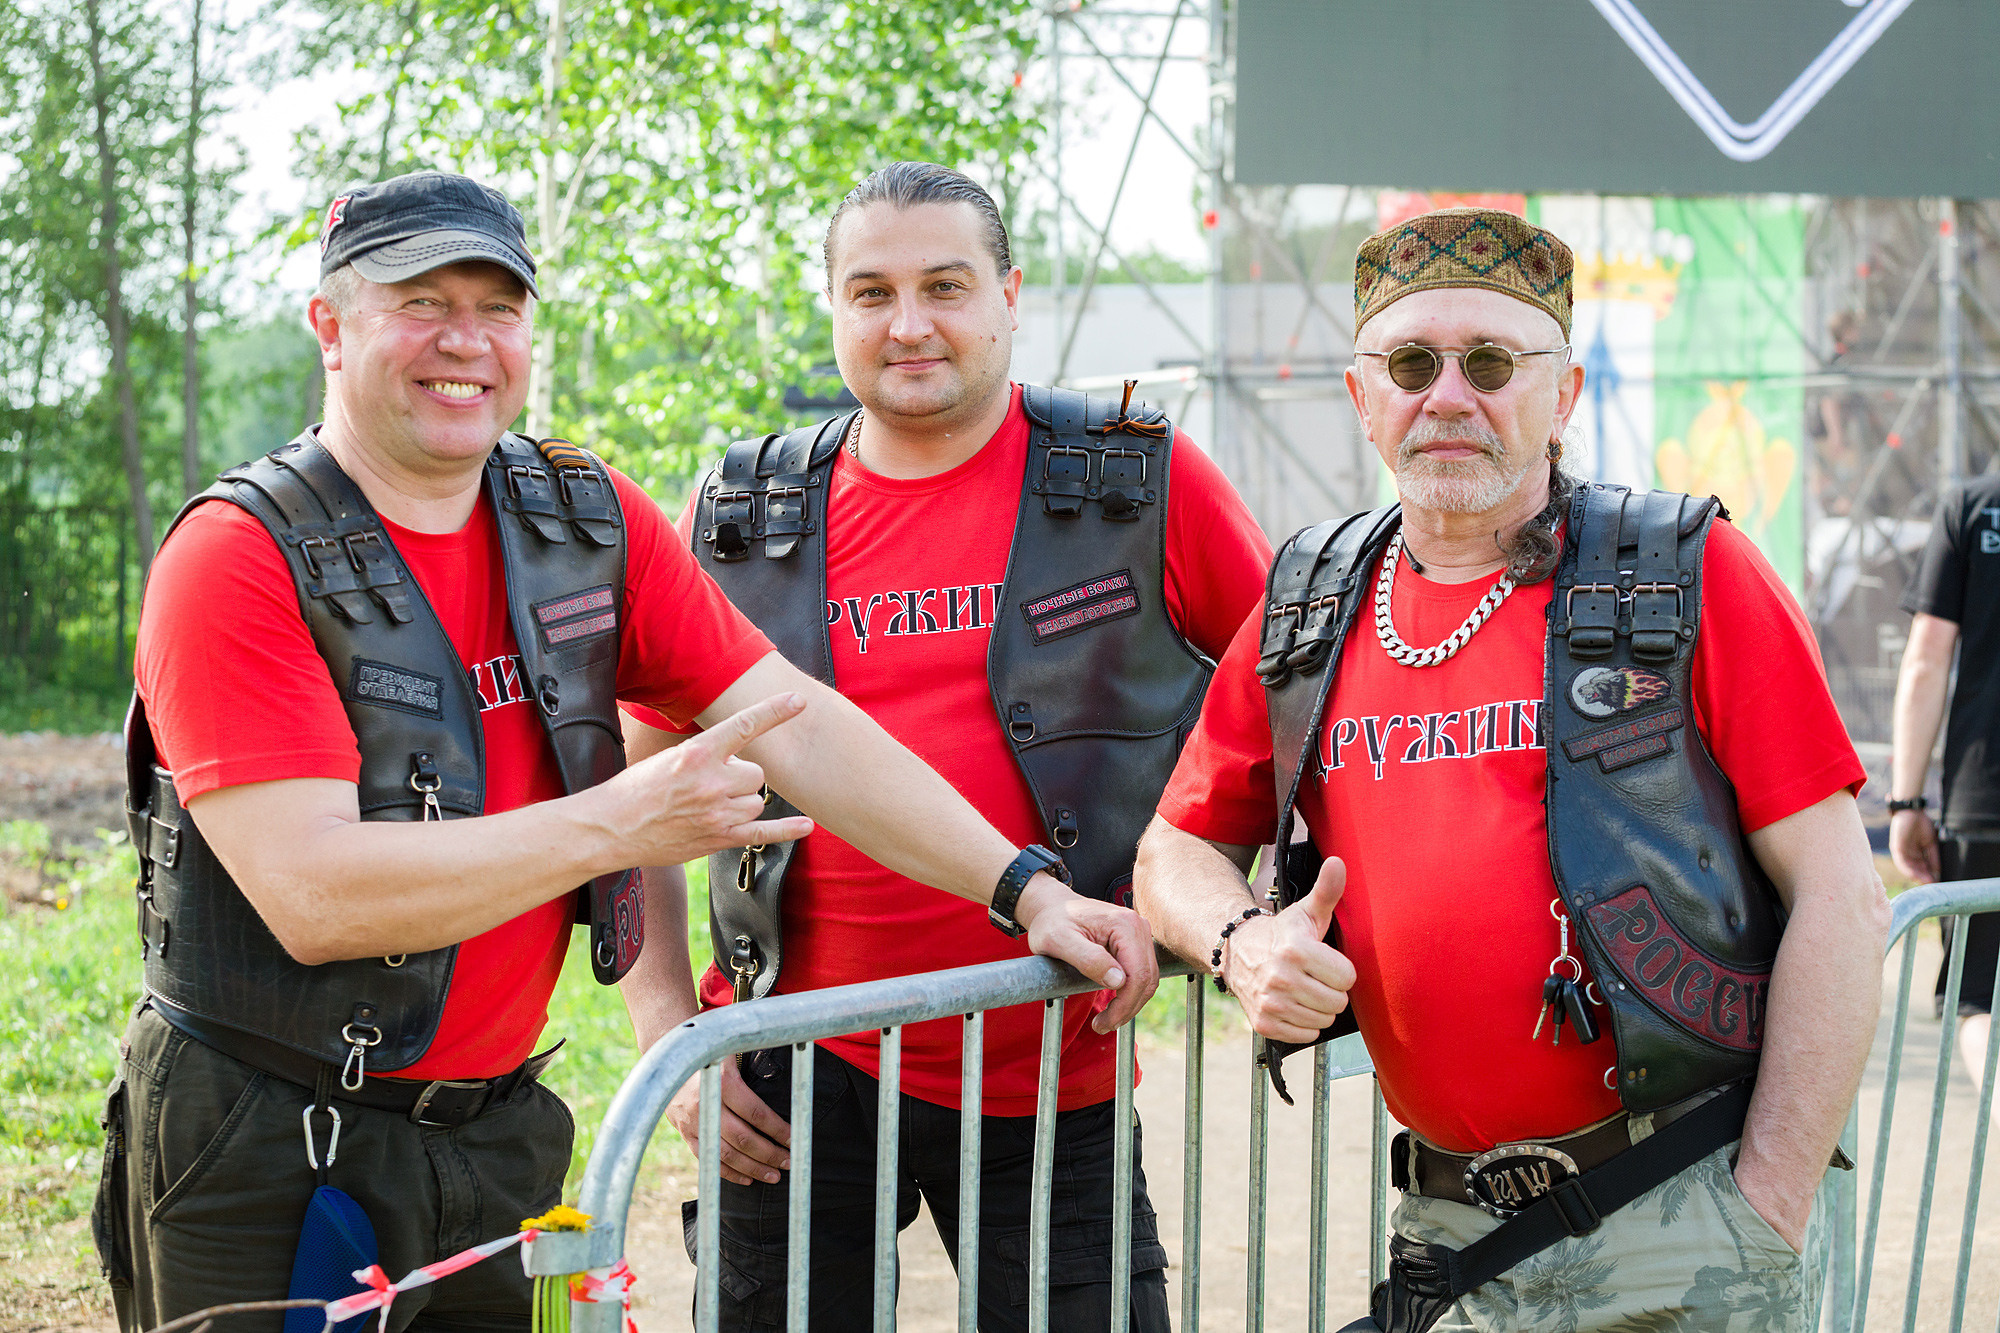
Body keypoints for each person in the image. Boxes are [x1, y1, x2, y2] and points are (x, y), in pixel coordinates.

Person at [95, 169, 1158, 1333]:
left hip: (493, 1132)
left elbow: (792, 721)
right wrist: (622, 822)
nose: (466, 341)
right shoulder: (236, 559)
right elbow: (317, 896)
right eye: (419, 302)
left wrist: (1022, 887)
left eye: (496, 306)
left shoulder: (578, 518)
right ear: (330, 327)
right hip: (274, 1140)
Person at [1133, 207, 1888, 1333]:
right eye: (1408, 362)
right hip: (1449, 1229)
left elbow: (1839, 891)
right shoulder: (1307, 604)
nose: (1446, 394)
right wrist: (1243, 943)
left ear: (1563, 394)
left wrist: (1765, 1200)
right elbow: (1172, 848)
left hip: (1682, 1207)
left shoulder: (1684, 576)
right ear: (1361, 397)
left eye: (1489, 361)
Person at [618, 161, 1272, 1331]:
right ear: (831, 309)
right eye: (870, 291)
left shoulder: (1132, 479)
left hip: (1048, 1060)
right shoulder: (738, 514)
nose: (908, 323)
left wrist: (1231, 912)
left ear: (1011, 295)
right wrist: (673, 1039)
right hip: (784, 1073)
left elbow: (1292, 702)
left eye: (945, 285)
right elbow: (634, 793)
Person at [1890, 473, 2000, 1085]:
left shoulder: (1975, 506)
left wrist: (1906, 801)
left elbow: (1926, 660)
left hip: (1984, 799)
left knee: (1976, 1000)